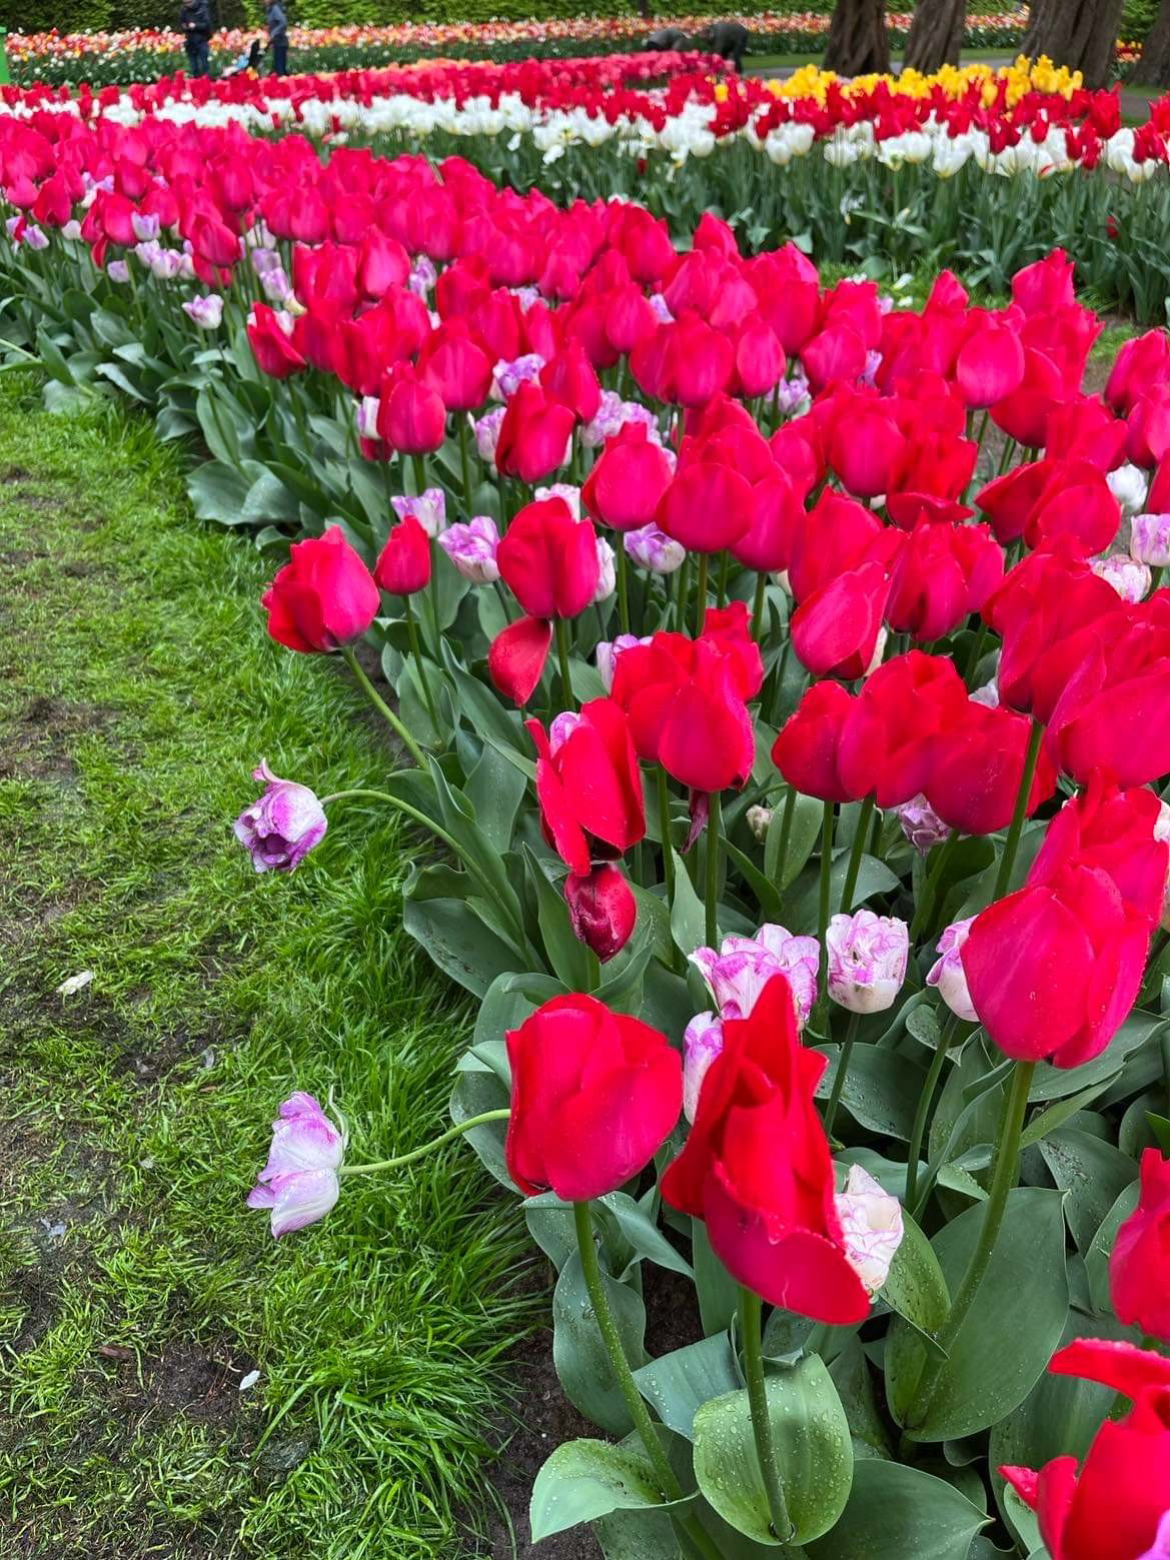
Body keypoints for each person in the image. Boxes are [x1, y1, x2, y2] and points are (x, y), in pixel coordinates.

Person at [179, 0, 213, 77]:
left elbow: (207, 24)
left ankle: (207, 82)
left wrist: (195, 25)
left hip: (202, 39)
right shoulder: (184, 9)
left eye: (189, 2)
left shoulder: (202, 8)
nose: (187, 4)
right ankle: (196, 83)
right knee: (194, 67)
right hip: (190, 41)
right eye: (185, 3)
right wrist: (184, 26)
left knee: (204, 65)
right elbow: (182, 22)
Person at [266, 0, 289, 77]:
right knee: (279, 70)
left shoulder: (275, 8)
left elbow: (283, 22)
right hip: (278, 42)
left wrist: (273, 34)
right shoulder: (271, 8)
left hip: (280, 42)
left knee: (280, 71)